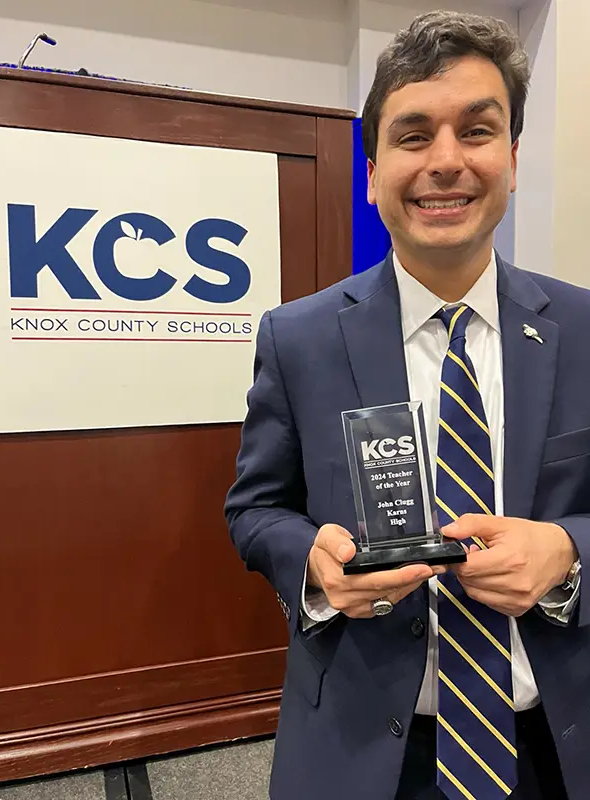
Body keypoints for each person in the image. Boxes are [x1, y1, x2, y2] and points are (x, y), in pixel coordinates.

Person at [225, 10, 590, 800]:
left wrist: (569, 551)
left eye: (478, 130)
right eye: (414, 135)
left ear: (515, 158)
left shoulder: (587, 329)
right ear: (373, 170)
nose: (447, 162)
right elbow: (255, 511)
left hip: (558, 745)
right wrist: (313, 569)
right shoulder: (299, 337)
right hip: (363, 752)